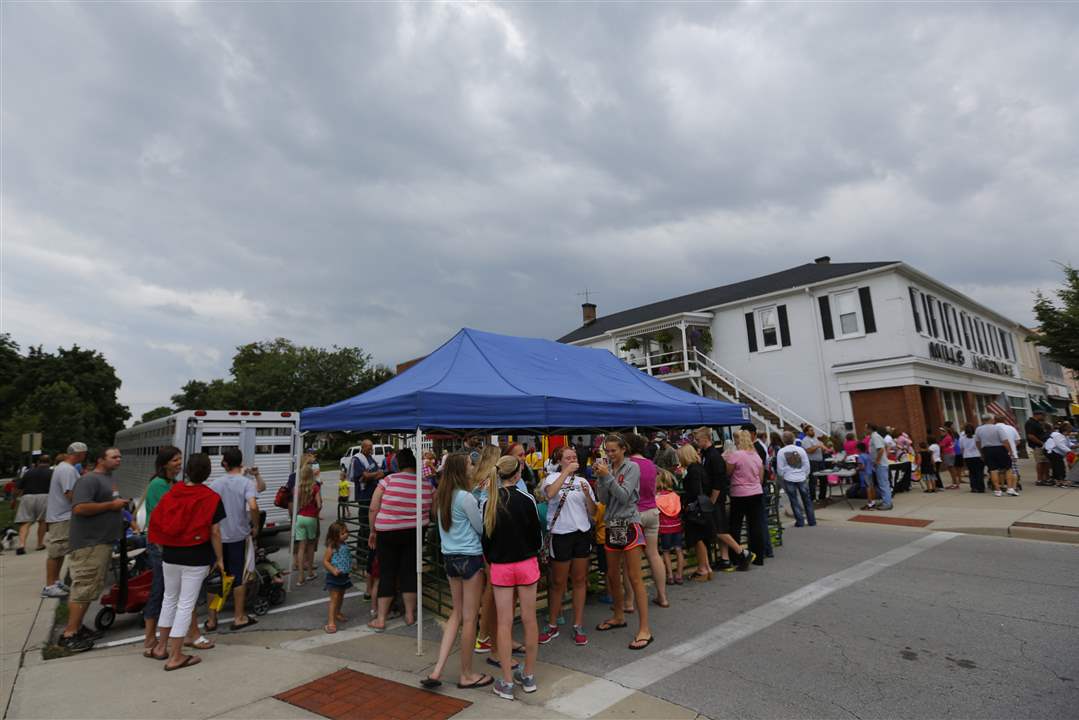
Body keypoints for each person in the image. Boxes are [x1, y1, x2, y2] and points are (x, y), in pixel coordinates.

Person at [148, 453, 225, 671]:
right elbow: (215, 531)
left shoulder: (173, 492)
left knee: (169, 599)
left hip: (170, 554)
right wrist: (219, 558)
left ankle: (161, 647)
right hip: (196, 556)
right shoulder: (210, 497)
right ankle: (176, 655)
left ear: (187, 470)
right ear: (208, 472)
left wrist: (163, 546)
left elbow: (157, 519)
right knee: (185, 603)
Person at [422, 454, 492, 690]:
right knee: (471, 618)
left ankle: (437, 670)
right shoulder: (465, 497)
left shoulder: (442, 495)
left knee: (456, 613)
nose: (473, 467)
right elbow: (480, 528)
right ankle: (466, 674)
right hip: (470, 558)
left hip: (449, 558)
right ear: (462, 470)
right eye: (470, 464)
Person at [481, 456, 542, 700]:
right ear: (517, 475)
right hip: (526, 563)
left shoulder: (489, 502)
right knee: (529, 620)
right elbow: (536, 535)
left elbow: (486, 541)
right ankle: (528, 675)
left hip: (501, 567)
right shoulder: (527, 499)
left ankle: (507, 681)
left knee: (504, 624)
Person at [56, 447, 127, 652]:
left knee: (91, 588)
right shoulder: (89, 480)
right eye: (114, 457)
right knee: (84, 587)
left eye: (119, 456)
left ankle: (78, 627)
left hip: (101, 542)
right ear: (100, 460)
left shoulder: (109, 478)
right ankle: (69, 634)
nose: (118, 459)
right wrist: (111, 506)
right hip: (89, 544)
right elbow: (79, 507)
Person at [142, 447, 209, 655]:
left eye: (180, 459)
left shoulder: (174, 484)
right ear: (164, 463)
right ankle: (150, 637)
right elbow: (168, 516)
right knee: (162, 591)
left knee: (178, 593)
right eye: (174, 460)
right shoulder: (158, 485)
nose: (179, 463)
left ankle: (184, 635)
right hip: (161, 545)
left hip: (173, 544)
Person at [593, 433, 653, 651]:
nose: (609, 455)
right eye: (606, 451)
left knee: (635, 577)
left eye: (613, 451)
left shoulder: (631, 468)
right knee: (612, 575)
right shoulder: (609, 469)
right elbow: (604, 499)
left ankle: (645, 628)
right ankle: (618, 616)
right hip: (612, 525)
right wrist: (600, 478)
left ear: (623, 450)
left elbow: (625, 496)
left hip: (629, 524)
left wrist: (607, 476)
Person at [538, 446, 597, 647]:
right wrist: (565, 472)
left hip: (581, 533)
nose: (573, 459)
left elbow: (593, 511)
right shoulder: (551, 478)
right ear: (560, 460)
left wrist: (589, 496)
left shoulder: (583, 481)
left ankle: (578, 625)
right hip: (561, 534)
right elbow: (550, 495)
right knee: (558, 582)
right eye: (568, 457)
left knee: (580, 580)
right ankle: (552, 624)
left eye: (574, 456)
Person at [368, 448, 432, 630]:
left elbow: (373, 508)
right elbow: (432, 506)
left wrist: (373, 531)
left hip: (387, 532)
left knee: (387, 572)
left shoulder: (388, 481)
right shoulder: (425, 483)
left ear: (398, 464)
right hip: (415, 531)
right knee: (409, 571)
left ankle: (381, 619)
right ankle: (410, 615)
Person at [206, 448, 259, 632]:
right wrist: (256, 525)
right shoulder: (246, 483)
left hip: (218, 537)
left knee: (216, 578)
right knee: (238, 577)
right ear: (240, 462)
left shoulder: (214, 484)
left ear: (225, 463)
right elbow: (252, 505)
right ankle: (238, 617)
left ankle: (212, 620)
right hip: (238, 536)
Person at [626, 433, 668, 609]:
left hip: (634, 512)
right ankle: (662, 596)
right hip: (652, 511)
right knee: (653, 554)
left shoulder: (627, 465)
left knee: (628, 559)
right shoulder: (651, 465)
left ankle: (629, 601)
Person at [42, 442, 87, 599]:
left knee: (60, 552)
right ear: (79, 454)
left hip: (61, 515)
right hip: (61, 516)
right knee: (55, 551)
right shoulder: (68, 470)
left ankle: (55, 581)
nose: (85, 456)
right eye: (84, 453)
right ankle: (49, 586)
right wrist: (86, 503)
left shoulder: (64, 467)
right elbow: (69, 494)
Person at [693, 427, 733, 570]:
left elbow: (718, 480)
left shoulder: (714, 456)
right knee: (719, 528)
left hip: (715, 497)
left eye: (698, 440)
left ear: (706, 439)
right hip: (712, 496)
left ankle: (740, 552)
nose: (696, 443)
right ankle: (725, 557)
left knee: (718, 529)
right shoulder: (705, 454)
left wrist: (712, 500)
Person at [725, 431, 766, 565]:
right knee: (755, 525)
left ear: (738, 441)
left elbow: (728, 473)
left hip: (739, 493)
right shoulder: (756, 456)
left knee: (735, 526)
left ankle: (736, 557)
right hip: (756, 492)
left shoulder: (735, 455)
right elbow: (760, 477)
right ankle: (758, 556)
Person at [14, 454, 51, 555]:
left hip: (28, 497)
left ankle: (21, 545)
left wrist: (14, 499)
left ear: (38, 462)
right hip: (44, 496)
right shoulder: (51, 473)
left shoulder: (28, 472)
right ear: (49, 463)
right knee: (42, 521)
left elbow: (18, 487)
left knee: (25, 522)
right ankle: (39, 544)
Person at [293, 459, 322, 585]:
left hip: (300, 518)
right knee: (310, 546)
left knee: (301, 547)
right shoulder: (314, 487)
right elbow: (319, 504)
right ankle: (310, 572)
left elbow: (296, 505)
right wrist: (315, 513)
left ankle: (300, 577)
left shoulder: (297, 488)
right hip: (311, 517)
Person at [777, 432, 815, 527]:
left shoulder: (781, 452)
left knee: (794, 501)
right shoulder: (801, 450)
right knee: (807, 500)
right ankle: (812, 521)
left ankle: (800, 521)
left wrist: (783, 475)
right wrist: (805, 474)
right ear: (793, 439)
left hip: (789, 478)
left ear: (783, 440)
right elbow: (806, 464)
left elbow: (780, 468)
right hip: (801, 477)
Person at [975, 413, 1016, 497]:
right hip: (999, 449)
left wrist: (981, 452)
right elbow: (1005, 440)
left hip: (987, 450)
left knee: (993, 470)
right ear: (991, 419)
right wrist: (1010, 451)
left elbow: (977, 442)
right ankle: (1010, 488)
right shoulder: (997, 428)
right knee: (1008, 468)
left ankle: (997, 490)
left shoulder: (978, 429)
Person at [322, 521, 352, 633]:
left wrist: (350, 566)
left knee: (341, 596)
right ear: (335, 536)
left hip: (344, 576)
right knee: (334, 598)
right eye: (343, 533)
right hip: (334, 577)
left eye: (346, 532)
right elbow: (325, 561)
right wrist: (333, 570)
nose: (346, 534)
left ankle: (338, 613)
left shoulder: (344, 545)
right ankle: (331, 622)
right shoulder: (332, 547)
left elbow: (346, 557)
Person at [655, 469, 685, 585]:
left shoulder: (657, 498)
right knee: (679, 550)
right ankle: (679, 575)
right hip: (676, 526)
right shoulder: (675, 496)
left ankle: (670, 575)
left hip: (664, 527)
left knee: (666, 551)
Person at [866, 424, 893, 511]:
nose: (865, 429)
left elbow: (881, 449)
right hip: (881, 463)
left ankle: (887, 503)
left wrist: (877, 461)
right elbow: (886, 446)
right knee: (883, 483)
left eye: (866, 428)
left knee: (883, 484)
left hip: (880, 464)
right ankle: (886, 501)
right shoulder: (876, 436)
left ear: (870, 429)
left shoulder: (875, 437)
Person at [800, 426, 826, 503]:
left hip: (820, 461)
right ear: (806, 432)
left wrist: (824, 449)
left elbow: (821, 449)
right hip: (812, 462)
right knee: (813, 480)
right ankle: (813, 498)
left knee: (823, 479)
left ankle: (822, 497)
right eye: (811, 430)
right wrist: (818, 446)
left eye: (813, 430)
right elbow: (809, 450)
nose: (813, 432)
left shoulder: (816, 439)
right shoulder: (805, 440)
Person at [1027, 409, 1052, 486]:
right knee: (1040, 462)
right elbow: (1030, 436)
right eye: (1043, 415)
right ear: (1037, 415)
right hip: (1038, 446)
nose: (1044, 417)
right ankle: (1040, 479)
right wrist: (1041, 443)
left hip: (1043, 445)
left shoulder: (1037, 423)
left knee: (1045, 462)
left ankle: (1045, 478)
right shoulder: (1031, 423)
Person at [996, 417, 1022, 489]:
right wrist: (1012, 446)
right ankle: (1014, 485)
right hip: (1012, 452)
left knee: (1000, 470)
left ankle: (1002, 485)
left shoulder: (993, 428)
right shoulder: (1011, 428)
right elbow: (1018, 441)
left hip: (998, 452)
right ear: (1004, 420)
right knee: (1013, 470)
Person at [1045, 422, 1072, 487]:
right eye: (1068, 432)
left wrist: (1074, 446)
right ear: (1064, 431)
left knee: (1056, 465)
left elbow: (1068, 444)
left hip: (1056, 452)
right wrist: (1070, 451)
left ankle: (1056, 479)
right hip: (1052, 452)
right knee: (1059, 466)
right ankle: (1060, 480)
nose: (1069, 433)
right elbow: (1060, 445)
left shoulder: (1064, 436)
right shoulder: (1058, 436)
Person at [958, 424, 985, 493]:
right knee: (979, 472)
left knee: (972, 472)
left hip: (967, 457)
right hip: (977, 456)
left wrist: (963, 456)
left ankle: (974, 487)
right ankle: (980, 487)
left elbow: (961, 448)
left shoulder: (962, 438)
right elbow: (981, 446)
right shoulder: (977, 437)